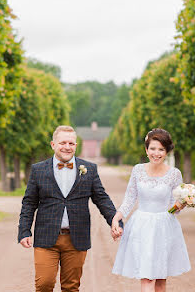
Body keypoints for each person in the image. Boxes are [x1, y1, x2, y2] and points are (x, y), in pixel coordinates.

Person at [18, 125, 122, 292]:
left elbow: (101, 198)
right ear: (53, 144)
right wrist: (24, 230)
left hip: (76, 238)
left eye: (71, 143)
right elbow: (29, 202)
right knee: (44, 284)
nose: (67, 147)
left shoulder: (89, 169)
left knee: (71, 287)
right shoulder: (38, 170)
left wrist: (115, 221)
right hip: (46, 237)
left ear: (76, 145)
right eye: (63, 143)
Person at [111, 128, 191, 292]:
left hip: (164, 227)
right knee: (146, 278)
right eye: (153, 148)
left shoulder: (175, 174)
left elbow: (172, 210)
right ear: (146, 150)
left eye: (161, 149)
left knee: (161, 279)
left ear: (167, 151)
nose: (156, 153)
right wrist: (116, 217)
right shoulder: (138, 170)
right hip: (142, 226)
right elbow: (130, 198)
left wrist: (181, 204)